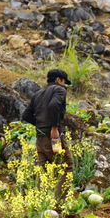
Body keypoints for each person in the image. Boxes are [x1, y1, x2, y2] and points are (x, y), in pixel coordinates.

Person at [21, 69, 74, 204]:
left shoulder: (38, 94)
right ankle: (60, 204)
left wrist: (40, 125)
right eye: (64, 82)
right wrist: (54, 128)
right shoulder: (59, 90)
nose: (64, 86)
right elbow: (54, 105)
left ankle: (39, 202)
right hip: (53, 138)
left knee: (43, 168)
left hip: (40, 138)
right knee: (66, 167)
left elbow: (26, 115)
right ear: (58, 80)